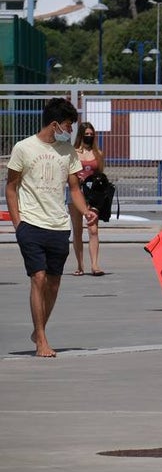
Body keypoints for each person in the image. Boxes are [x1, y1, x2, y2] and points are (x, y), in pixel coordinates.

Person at [6, 98, 98, 357]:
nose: (70, 131)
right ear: (55, 123)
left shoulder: (67, 151)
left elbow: (74, 189)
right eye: (68, 125)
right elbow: (11, 187)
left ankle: (39, 329)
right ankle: (42, 341)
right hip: (31, 225)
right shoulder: (23, 148)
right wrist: (18, 224)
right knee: (39, 278)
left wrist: (85, 211)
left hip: (58, 226)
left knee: (54, 283)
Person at [70, 121, 106, 276]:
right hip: (76, 194)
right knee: (77, 231)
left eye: (91, 134)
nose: (89, 137)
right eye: (87, 134)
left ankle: (95, 265)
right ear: (81, 135)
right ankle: (80, 265)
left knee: (93, 229)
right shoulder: (73, 153)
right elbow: (68, 174)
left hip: (93, 196)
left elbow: (101, 175)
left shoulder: (98, 153)